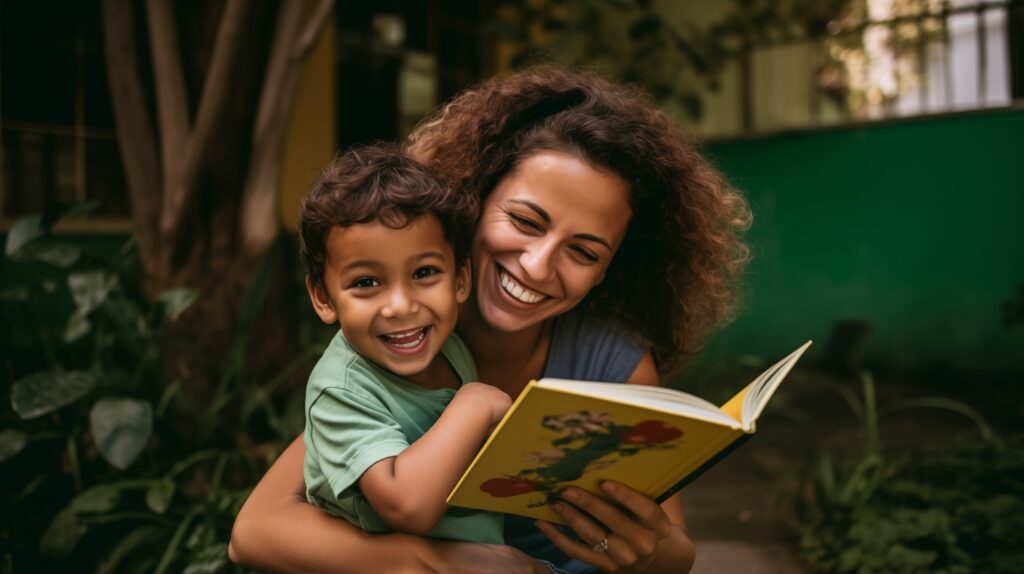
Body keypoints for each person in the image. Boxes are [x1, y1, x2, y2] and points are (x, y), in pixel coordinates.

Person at [229, 65, 751, 573]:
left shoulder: (610, 363)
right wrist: (434, 561)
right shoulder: (408, 343)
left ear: (609, 272)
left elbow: (678, 552)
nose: (537, 265)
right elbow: (256, 530)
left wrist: (652, 553)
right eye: (524, 221)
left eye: (584, 252)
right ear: (472, 199)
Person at [297, 145, 510, 544]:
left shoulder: (450, 346)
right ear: (324, 298)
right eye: (366, 283)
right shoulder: (340, 391)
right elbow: (407, 505)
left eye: (424, 272)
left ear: (460, 278)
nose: (401, 306)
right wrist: (475, 404)